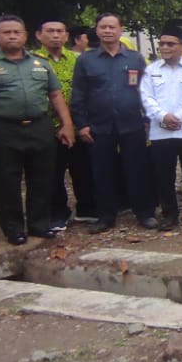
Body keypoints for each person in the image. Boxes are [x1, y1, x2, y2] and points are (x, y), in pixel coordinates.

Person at [0, 15, 77, 245]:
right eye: (6, 32)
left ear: (25, 35)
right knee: (6, 180)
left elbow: (55, 95)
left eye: (17, 32)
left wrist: (66, 124)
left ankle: (39, 224)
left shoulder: (40, 63)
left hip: (39, 125)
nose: (12, 36)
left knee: (42, 177)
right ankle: (13, 228)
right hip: (2, 128)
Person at [71, 13, 157, 233]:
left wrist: (148, 120)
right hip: (99, 126)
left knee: (137, 169)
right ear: (97, 30)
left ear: (120, 30)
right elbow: (78, 94)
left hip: (132, 124)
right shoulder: (86, 60)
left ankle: (144, 213)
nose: (107, 31)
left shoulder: (135, 59)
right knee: (102, 172)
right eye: (103, 27)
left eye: (112, 27)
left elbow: (146, 92)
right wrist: (82, 124)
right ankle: (105, 216)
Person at [141, 21, 182, 229]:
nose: (165, 48)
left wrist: (178, 117)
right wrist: (163, 117)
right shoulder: (151, 70)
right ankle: (169, 215)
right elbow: (146, 97)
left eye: (170, 44)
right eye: (162, 44)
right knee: (164, 177)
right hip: (160, 133)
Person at [35, 18, 93, 228]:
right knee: (52, 172)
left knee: (83, 169)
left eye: (60, 31)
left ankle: (87, 209)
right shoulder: (33, 61)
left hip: (79, 124)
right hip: (49, 127)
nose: (55, 35)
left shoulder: (79, 59)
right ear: (39, 35)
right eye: (50, 31)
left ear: (67, 36)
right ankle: (58, 212)